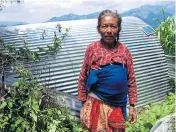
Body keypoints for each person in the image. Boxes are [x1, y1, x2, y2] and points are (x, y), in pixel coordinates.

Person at [77, 9, 138, 132]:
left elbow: (131, 79)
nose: (109, 31)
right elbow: (83, 77)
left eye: (113, 26)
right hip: (97, 103)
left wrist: (132, 106)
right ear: (99, 29)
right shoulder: (92, 49)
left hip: (119, 104)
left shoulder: (124, 50)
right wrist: (83, 105)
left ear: (118, 29)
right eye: (104, 26)